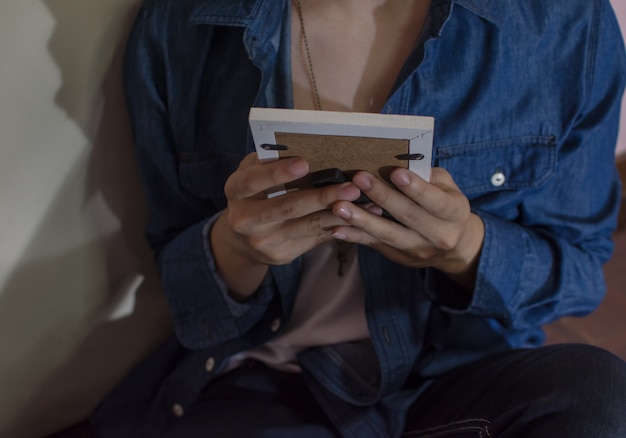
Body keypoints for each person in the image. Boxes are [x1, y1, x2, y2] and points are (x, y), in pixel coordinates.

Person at [92, 0, 626, 436]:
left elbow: (578, 273)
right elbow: (180, 282)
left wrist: (464, 248)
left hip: (457, 370)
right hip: (271, 377)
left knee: (599, 395)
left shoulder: (565, 23)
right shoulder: (180, 25)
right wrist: (237, 247)